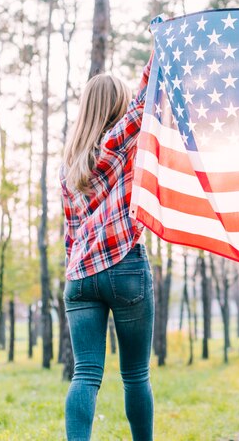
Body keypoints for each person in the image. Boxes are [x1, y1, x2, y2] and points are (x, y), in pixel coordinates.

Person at [60, 53, 154, 441]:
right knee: (135, 376)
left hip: (79, 277)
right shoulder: (118, 142)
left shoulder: (69, 166)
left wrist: (74, 273)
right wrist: (156, 50)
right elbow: (146, 97)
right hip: (125, 267)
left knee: (85, 374)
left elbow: (70, 232)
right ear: (118, 106)